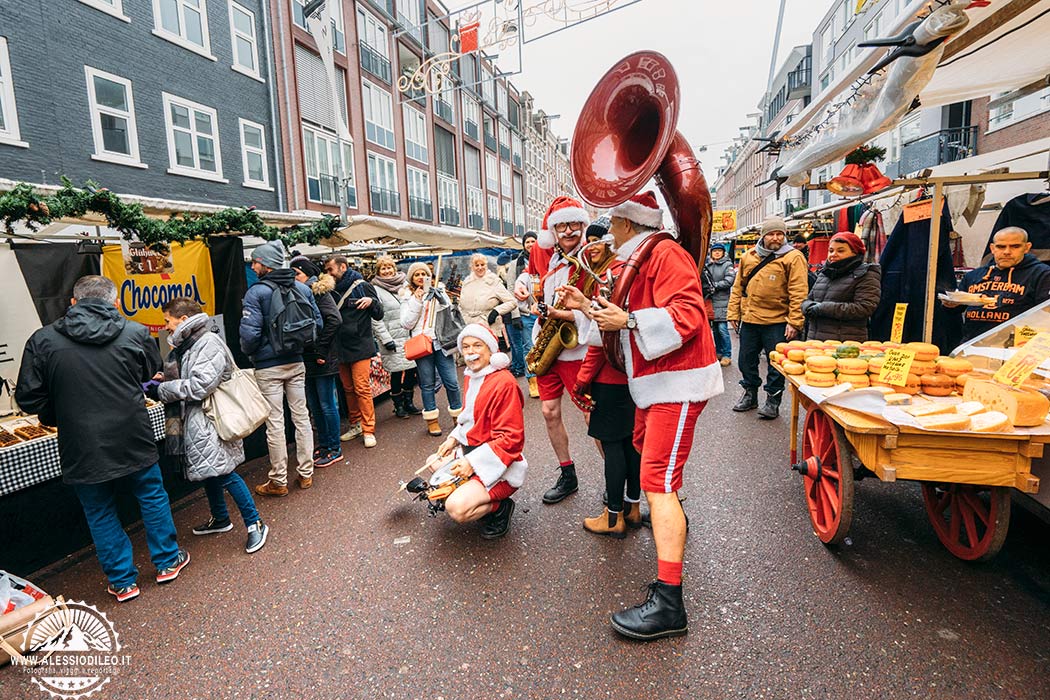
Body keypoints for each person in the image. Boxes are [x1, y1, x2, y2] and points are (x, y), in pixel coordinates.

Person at [557, 191, 722, 641]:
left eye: (612, 226)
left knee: (659, 485)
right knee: (655, 479)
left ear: (629, 226)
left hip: (675, 382)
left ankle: (670, 603)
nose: (608, 234)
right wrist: (585, 306)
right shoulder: (639, 258)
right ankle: (667, 586)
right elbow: (617, 319)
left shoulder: (665, 254)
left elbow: (686, 315)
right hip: (656, 384)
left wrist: (628, 322)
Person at [16, 275, 189, 603]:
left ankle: (123, 582)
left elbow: (28, 397)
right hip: (131, 430)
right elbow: (148, 372)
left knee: (99, 509)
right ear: (115, 303)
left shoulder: (43, 339)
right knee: (151, 495)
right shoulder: (135, 332)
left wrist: (56, 412)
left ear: (73, 302)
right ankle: (167, 562)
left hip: (80, 439)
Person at [155, 298, 268, 554]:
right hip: (194, 418)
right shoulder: (189, 344)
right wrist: (167, 378)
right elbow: (192, 378)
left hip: (208, 417)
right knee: (209, 469)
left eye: (167, 321)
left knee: (223, 471)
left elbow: (200, 386)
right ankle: (220, 518)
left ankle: (255, 523)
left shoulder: (206, 342)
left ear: (183, 319)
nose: (166, 327)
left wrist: (164, 388)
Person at [570, 229, 642, 539]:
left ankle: (613, 518)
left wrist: (581, 382)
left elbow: (600, 339)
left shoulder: (612, 276)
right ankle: (633, 507)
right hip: (632, 376)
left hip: (609, 379)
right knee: (631, 445)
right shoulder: (634, 270)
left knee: (613, 448)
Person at [241, 240, 323, 496]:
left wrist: (251, 352)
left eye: (255, 262)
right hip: (296, 361)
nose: (253, 266)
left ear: (265, 264)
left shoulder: (256, 292)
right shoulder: (302, 288)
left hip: (268, 366)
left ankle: (278, 480)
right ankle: (306, 474)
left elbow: (249, 334)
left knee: (275, 423)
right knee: (301, 418)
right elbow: (317, 324)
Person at [527, 195, 594, 505]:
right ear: (553, 231)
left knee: (592, 418)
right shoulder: (551, 259)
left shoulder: (593, 259)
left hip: (577, 349)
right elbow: (535, 285)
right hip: (550, 349)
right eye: (561, 226)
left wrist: (561, 316)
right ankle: (568, 473)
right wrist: (525, 291)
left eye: (573, 224)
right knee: (548, 411)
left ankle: (616, 479)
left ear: (583, 225)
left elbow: (596, 310)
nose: (568, 231)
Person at [431, 324, 527, 539]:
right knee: (436, 462)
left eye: (477, 345)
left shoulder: (504, 383)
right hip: (471, 452)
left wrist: (472, 463)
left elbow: (511, 438)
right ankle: (473, 493)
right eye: (466, 347)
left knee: (455, 507)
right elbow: (470, 417)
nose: (471, 352)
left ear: (491, 350)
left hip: (500, 465)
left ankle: (500, 508)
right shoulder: (472, 375)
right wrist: (453, 438)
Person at [726, 216, 808, 420]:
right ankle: (750, 394)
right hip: (751, 318)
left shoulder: (793, 257)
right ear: (763, 235)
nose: (776, 238)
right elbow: (738, 287)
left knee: (775, 363)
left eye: (780, 234)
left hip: (778, 320)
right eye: (771, 233)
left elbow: (799, 291)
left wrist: (794, 321)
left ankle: (773, 400)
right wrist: (733, 313)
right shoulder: (749, 256)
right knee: (746, 359)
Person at [943, 227, 1050, 342]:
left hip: (1016, 346)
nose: (1007, 252)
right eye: (1001, 246)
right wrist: (950, 305)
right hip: (972, 344)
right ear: (992, 248)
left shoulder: (1042, 274)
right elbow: (954, 311)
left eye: (1015, 246)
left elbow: (1045, 314)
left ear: (1026, 248)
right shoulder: (974, 276)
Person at [325, 255, 384, 449]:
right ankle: (355, 424)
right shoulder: (329, 288)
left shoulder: (362, 285)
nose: (328, 274)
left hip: (360, 345)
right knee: (348, 389)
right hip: (340, 346)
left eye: (331, 270)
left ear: (342, 267)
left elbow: (379, 314)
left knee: (361, 388)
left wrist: (372, 302)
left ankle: (369, 429)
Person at [290, 258, 344, 468]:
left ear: (307, 274)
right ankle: (323, 445)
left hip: (322, 357)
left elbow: (334, 320)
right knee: (314, 404)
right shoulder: (302, 292)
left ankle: (334, 447)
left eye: (297, 274)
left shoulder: (318, 291)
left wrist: (320, 349)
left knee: (326, 404)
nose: (294, 278)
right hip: (310, 357)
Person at [401, 262, 463, 436]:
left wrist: (441, 299)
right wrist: (417, 301)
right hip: (423, 344)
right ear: (412, 278)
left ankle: (458, 416)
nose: (421, 277)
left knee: (452, 381)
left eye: (424, 274)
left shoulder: (440, 290)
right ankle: (432, 420)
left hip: (442, 341)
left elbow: (449, 313)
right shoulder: (407, 296)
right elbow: (406, 323)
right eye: (417, 274)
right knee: (427, 384)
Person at [802, 232, 882, 342]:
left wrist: (823, 308)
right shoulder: (824, 273)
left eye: (840, 251)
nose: (833, 254)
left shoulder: (865, 274)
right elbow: (810, 298)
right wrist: (806, 306)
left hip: (845, 343)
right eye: (831, 250)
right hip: (815, 341)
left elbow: (864, 307)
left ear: (855, 252)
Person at [370, 255, 422, 418]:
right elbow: (376, 317)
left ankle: (409, 402)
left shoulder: (405, 285)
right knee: (396, 372)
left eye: (389, 267)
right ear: (378, 271)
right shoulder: (375, 289)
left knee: (412, 370)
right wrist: (386, 339)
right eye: (383, 268)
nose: (387, 271)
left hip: (409, 335)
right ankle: (398, 405)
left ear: (394, 268)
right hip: (392, 337)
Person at [499, 231, 539, 386]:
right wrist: (515, 315)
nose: (530, 244)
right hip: (526, 313)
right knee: (529, 347)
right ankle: (532, 381)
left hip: (543, 311)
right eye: (527, 242)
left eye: (533, 241)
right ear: (524, 245)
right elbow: (510, 290)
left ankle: (545, 379)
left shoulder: (546, 259)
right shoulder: (516, 263)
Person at [458, 252, 519, 341]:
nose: (480, 268)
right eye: (477, 265)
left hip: (487, 326)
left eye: (482, 264)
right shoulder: (467, 282)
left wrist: (496, 312)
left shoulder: (493, 281)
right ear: (472, 267)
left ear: (486, 265)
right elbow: (461, 304)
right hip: (468, 327)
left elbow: (512, 302)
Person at [703, 244, 736, 366]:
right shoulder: (707, 265)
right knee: (716, 330)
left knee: (722, 329)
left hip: (722, 301)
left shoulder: (727, 265)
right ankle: (719, 352)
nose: (717, 253)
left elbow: (729, 280)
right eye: (714, 251)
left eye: (719, 251)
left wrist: (715, 286)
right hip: (710, 302)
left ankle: (727, 354)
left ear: (723, 253)